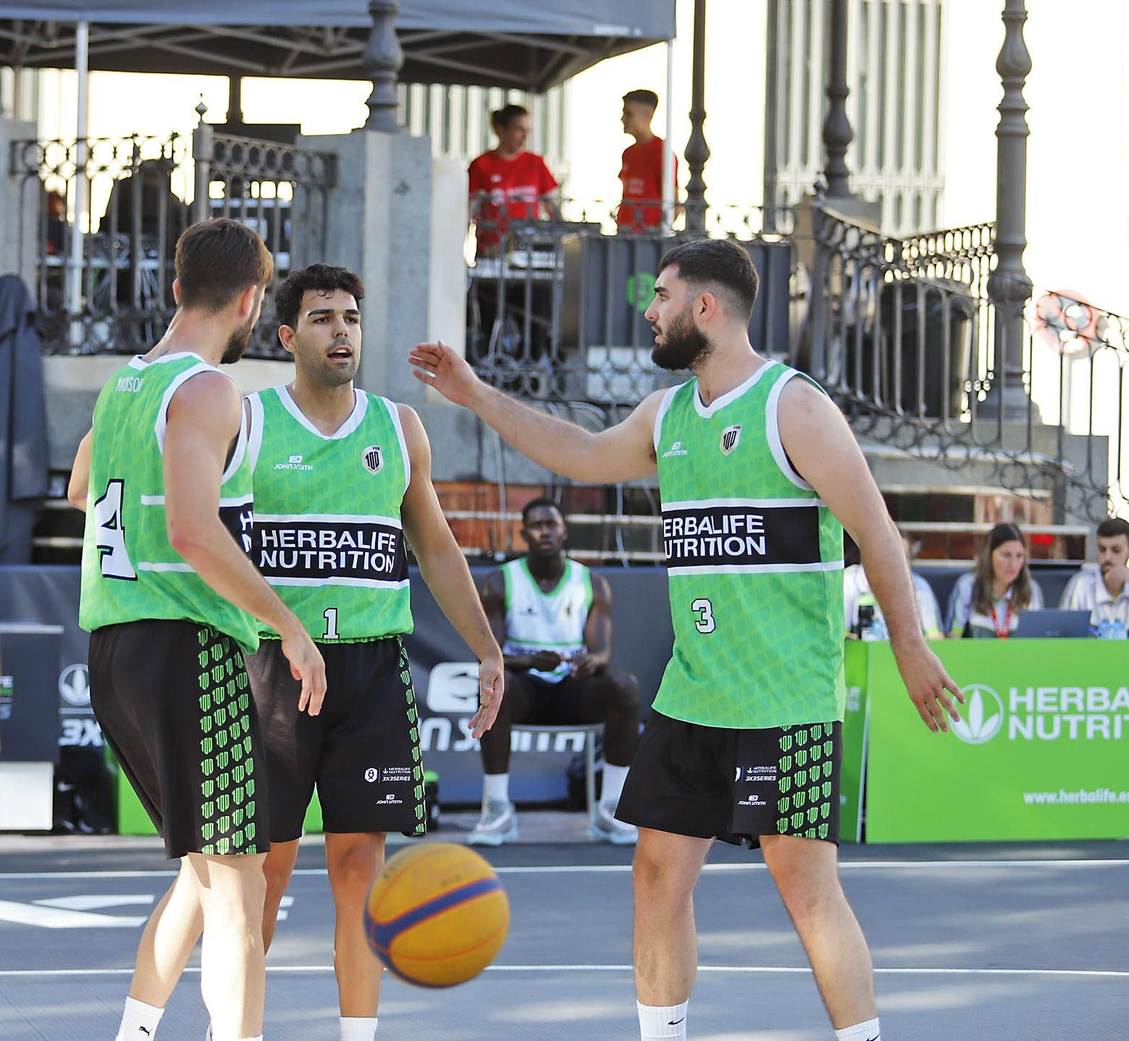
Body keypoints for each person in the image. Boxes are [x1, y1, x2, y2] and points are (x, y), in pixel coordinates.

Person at [411, 238, 964, 1041]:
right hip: (695, 695)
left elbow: (877, 534)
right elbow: (580, 452)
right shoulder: (667, 415)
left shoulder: (793, 407)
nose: (648, 311)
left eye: (661, 296)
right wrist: (476, 394)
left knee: (808, 893)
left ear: (704, 307)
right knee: (656, 876)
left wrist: (910, 646)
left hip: (786, 701)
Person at [66, 218, 328, 1041]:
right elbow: (191, 529)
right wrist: (286, 622)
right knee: (241, 890)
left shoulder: (124, 385)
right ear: (253, 299)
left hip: (114, 647)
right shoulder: (208, 389)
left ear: (177, 285)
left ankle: (135, 1029)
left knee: (205, 873)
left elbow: (81, 488)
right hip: (188, 645)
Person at [241, 263, 503, 1041]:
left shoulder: (397, 428)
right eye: (322, 318)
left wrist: (486, 647)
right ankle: (238, 1027)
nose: (342, 331)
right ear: (287, 337)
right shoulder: (248, 420)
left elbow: (438, 548)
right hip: (276, 668)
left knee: (359, 870)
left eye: (351, 317)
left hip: (370, 672)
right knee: (267, 873)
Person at [468, 496, 642, 847]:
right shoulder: (500, 582)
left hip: (571, 690)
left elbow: (602, 654)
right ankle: (497, 807)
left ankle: (610, 808)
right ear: (523, 533)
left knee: (625, 687)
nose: (545, 531)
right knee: (494, 687)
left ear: (565, 532)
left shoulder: (592, 582)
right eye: (537, 525)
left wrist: (589, 663)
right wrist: (532, 662)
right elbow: (488, 655)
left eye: (552, 524)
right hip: (524, 690)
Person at [466, 104, 559, 255]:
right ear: (501, 130)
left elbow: (554, 207)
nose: (525, 136)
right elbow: (468, 210)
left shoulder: (536, 163)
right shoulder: (481, 165)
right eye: (519, 130)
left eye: (528, 131)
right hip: (491, 253)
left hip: (529, 252)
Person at [842, 527, 943, 640]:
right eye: (893, 557)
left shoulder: (920, 587)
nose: (899, 565)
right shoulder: (849, 582)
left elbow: (936, 639)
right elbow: (840, 638)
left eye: (905, 558)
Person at [946, 523, 1042, 638]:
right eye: (1006, 555)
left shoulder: (1031, 589)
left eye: (1019, 556)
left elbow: (1038, 640)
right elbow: (953, 638)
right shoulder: (967, 586)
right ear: (989, 556)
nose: (1013, 564)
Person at [616, 89, 678, 233]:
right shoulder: (628, 153)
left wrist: (656, 232)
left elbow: (675, 204)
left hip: (647, 236)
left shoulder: (662, 153)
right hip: (625, 232)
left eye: (629, 114)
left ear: (647, 115)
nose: (623, 119)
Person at [1060, 517, 1129, 638]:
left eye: (1116, 550)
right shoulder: (1081, 583)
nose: (1107, 557)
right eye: (1102, 550)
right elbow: (1063, 633)